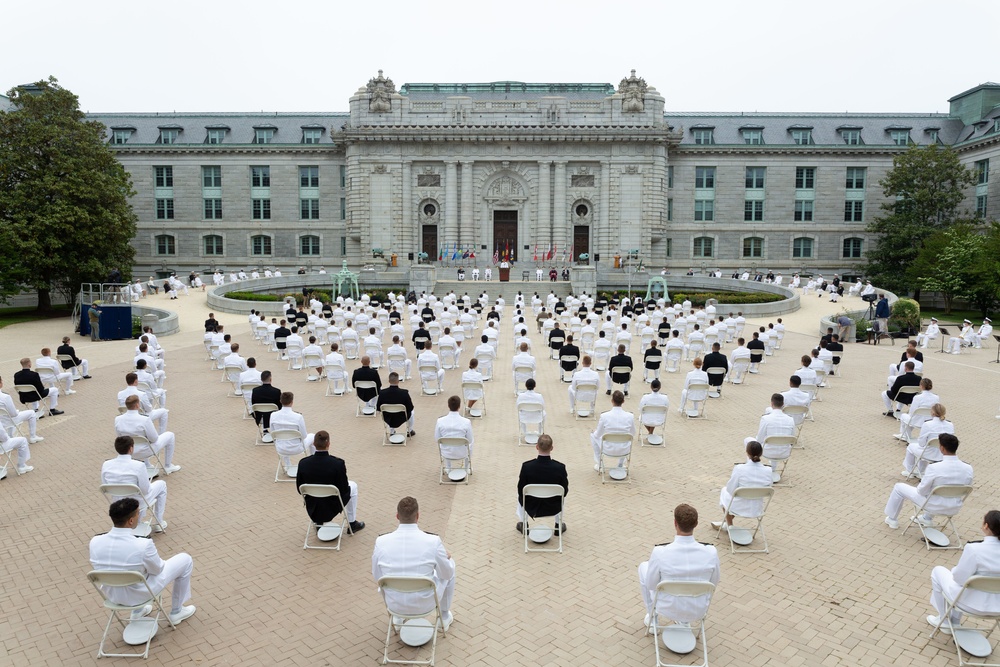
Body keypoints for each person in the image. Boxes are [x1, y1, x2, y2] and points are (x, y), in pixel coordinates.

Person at [90, 498, 195, 625]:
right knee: (185, 559)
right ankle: (177, 611)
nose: (140, 515)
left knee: (134, 571)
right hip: (140, 594)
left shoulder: (95, 541)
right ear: (131, 521)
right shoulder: (143, 544)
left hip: (112, 596)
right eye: (138, 513)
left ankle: (137, 612)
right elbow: (158, 569)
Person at [372, 497, 456, 630]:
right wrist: (446, 560)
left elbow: (377, 576)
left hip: (394, 603)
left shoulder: (381, 542)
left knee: (390, 577)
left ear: (397, 516)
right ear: (417, 516)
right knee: (450, 566)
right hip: (425, 603)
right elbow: (447, 573)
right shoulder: (433, 541)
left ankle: (398, 617)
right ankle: (444, 617)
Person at [638, 504, 720, 629]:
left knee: (643, 566)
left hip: (667, 607)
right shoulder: (711, 552)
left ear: (675, 523)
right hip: (697, 609)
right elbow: (713, 583)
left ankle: (653, 618)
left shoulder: (660, 552)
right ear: (696, 524)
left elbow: (651, 584)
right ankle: (685, 622)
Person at [926, 509, 1000, 632]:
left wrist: (955, 570)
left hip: (970, 605)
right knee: (964, 582)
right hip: (997, 608)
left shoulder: (974, 548)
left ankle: (944, 621)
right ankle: (954, 621)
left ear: (986, 525)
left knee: (939, 572)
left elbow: (959, 579)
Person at [884, 433, 973, 529]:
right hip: (954, 507)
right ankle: (926, 518)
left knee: (899, 487)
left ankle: (892, 519)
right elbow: (965, 489)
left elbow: (921, 491)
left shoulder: (934, 467)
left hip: (932, 505)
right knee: (936, 492)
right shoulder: (968, 468)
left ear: (942, 448)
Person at [295, 430, 364, 533]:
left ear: (314, 444)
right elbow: (344, 488)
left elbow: (300, 489)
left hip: (313, 506)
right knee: (353, 485)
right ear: (328, 444)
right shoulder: (337, 463)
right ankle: (352, 524)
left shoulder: (303, 463)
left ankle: (319, 522)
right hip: (332, 506)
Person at [102, 435, 167, 530]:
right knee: (162, 485)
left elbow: (105, 486)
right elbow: (145, 491)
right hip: (136, 502)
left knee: (138, 493)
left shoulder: (106, 464)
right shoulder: (139, 465)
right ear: (131, 448)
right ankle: (159, 523)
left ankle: (138, 520)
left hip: (117, 501)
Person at [712, 440, 772, 532]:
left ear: (747, 453)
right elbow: (768, 488)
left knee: (724, 491)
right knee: (738, 496)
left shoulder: (740, 468)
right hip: (757, 509)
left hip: (739, 507)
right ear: (761, 453)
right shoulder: (768, 470)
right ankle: (727, 522)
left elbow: (730, 489)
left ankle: (729, 525)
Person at [516, 434, 568, 533]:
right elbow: (565, 490)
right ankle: (558, 525)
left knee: (520, 492)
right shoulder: (560, 467)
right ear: (552, 448)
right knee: (560, 493)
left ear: (537, 447)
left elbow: (520, 489)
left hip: (531, 506)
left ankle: (524, 524)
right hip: (553, 506)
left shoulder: (527, 467)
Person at [115, 395, 180, 474]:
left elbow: (120, 437)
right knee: (170, 435)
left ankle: (147, 464)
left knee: (143, 440)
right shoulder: (144, 419)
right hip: (146, 451)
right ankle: (168, 466)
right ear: (137, 405)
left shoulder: (118, 419)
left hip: (128, 451)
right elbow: (154, 439)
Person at [269, 392, 315, 475]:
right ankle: (314, 463)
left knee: (281, 439)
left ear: (280, 401)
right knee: (312, 436)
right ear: (292, 402)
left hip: (281, 448)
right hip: (297, 448)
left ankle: (287, 464)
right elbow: (304, 436)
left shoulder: (273, 415)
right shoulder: (298, 417)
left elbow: (273, 434)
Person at [590, 390, 636, 471]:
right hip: (624, 449)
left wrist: (595, 432)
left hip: (608, 449)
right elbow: (633, 433)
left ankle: (600, 464)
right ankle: (620, 464)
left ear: (612, 401)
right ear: (623, 401)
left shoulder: (604, 416)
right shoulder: (630, 416)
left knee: (593, 435)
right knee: (628, 437)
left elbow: (597, 435)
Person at [904, 403, 955, 475]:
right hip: (944, 454)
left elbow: (921, 444)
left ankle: (910, 471)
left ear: (932, 412)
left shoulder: (927, 424)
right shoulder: (950, 424)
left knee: (911, 447)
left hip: (930, 453)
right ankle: (921, 471)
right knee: (925, 448)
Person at [0, 375, 43, 443]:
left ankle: (11, 435)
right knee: (31, 413)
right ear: (0, 384)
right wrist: (17, 411)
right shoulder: (5, 397)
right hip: (8, 421)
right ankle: (33, 436)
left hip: (1, 423)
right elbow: (13, 414)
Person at [435, 395, 474, 461]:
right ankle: (467, 467)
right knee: (472, 440)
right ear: (459, 406)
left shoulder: (440, 421)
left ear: (448, 406)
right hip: (462, 453)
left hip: (446, 453)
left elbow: (437, 439)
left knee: (444, 441)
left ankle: (448, 467)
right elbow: (469, 440)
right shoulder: (466, 422)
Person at [377, 372, 416, 437]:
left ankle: (392, 431)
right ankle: (410, 431)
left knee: (389, 412)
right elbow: (410, 408)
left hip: (387, 417)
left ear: (389, 381)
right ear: (398, 381)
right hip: (402, 416)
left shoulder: (382, 393)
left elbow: (378, 408)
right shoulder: (404, 393)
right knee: (412, 412)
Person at [251, 371, 282, 442]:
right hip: (273, 418)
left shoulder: (255, 391)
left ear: (261, 379)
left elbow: (253, 405)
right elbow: (280, 407)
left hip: (260, 417)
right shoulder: (276, 391)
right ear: (271, 379)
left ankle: (265, 430)